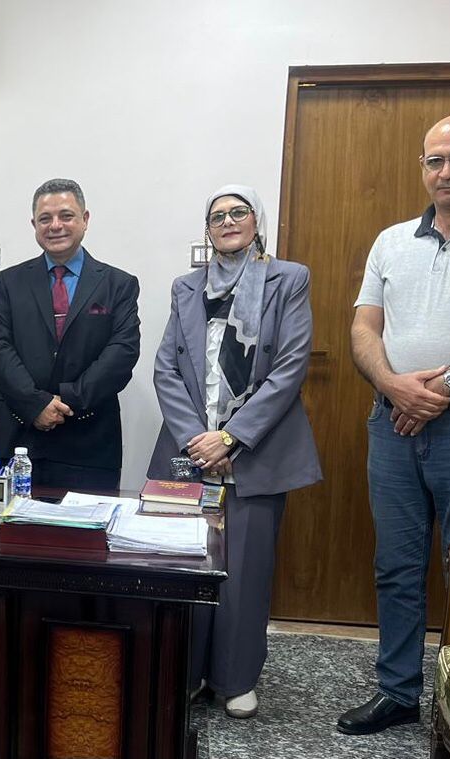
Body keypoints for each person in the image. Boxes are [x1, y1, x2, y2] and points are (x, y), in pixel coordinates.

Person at [338, 114, 450, 736]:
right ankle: (398, 691)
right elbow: (364, 326)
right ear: (422, 168)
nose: (446, 171)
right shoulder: (392, 240)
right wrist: (390, 383)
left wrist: (444, 385)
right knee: (397, 566)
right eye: (435, 160)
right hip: (392, 425)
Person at [148, 184, 321, 719]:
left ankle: (236, 678)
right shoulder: (186, 287)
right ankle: (187, 672)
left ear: (255, 221)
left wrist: (231, 436)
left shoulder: (288, 279)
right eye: (217, 215)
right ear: (207, 229)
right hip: (190, 451)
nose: (227, 221)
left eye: (237, 212)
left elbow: (290, 367)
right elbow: (166, 368)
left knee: (244, 572)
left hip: (255, 449)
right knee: (185, 564)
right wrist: (197, 438)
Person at [0, 178, 140, 490]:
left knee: (87, 523)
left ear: (85, 219)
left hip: (89, 440)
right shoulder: (9, 282)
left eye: (66, 216)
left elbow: (122, 352)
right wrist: (36, 405)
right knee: (10, 523)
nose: (55, 225)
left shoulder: (118, 284)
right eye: (45, 218)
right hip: (18, 435)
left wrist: (67, 400)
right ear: (34, 225)